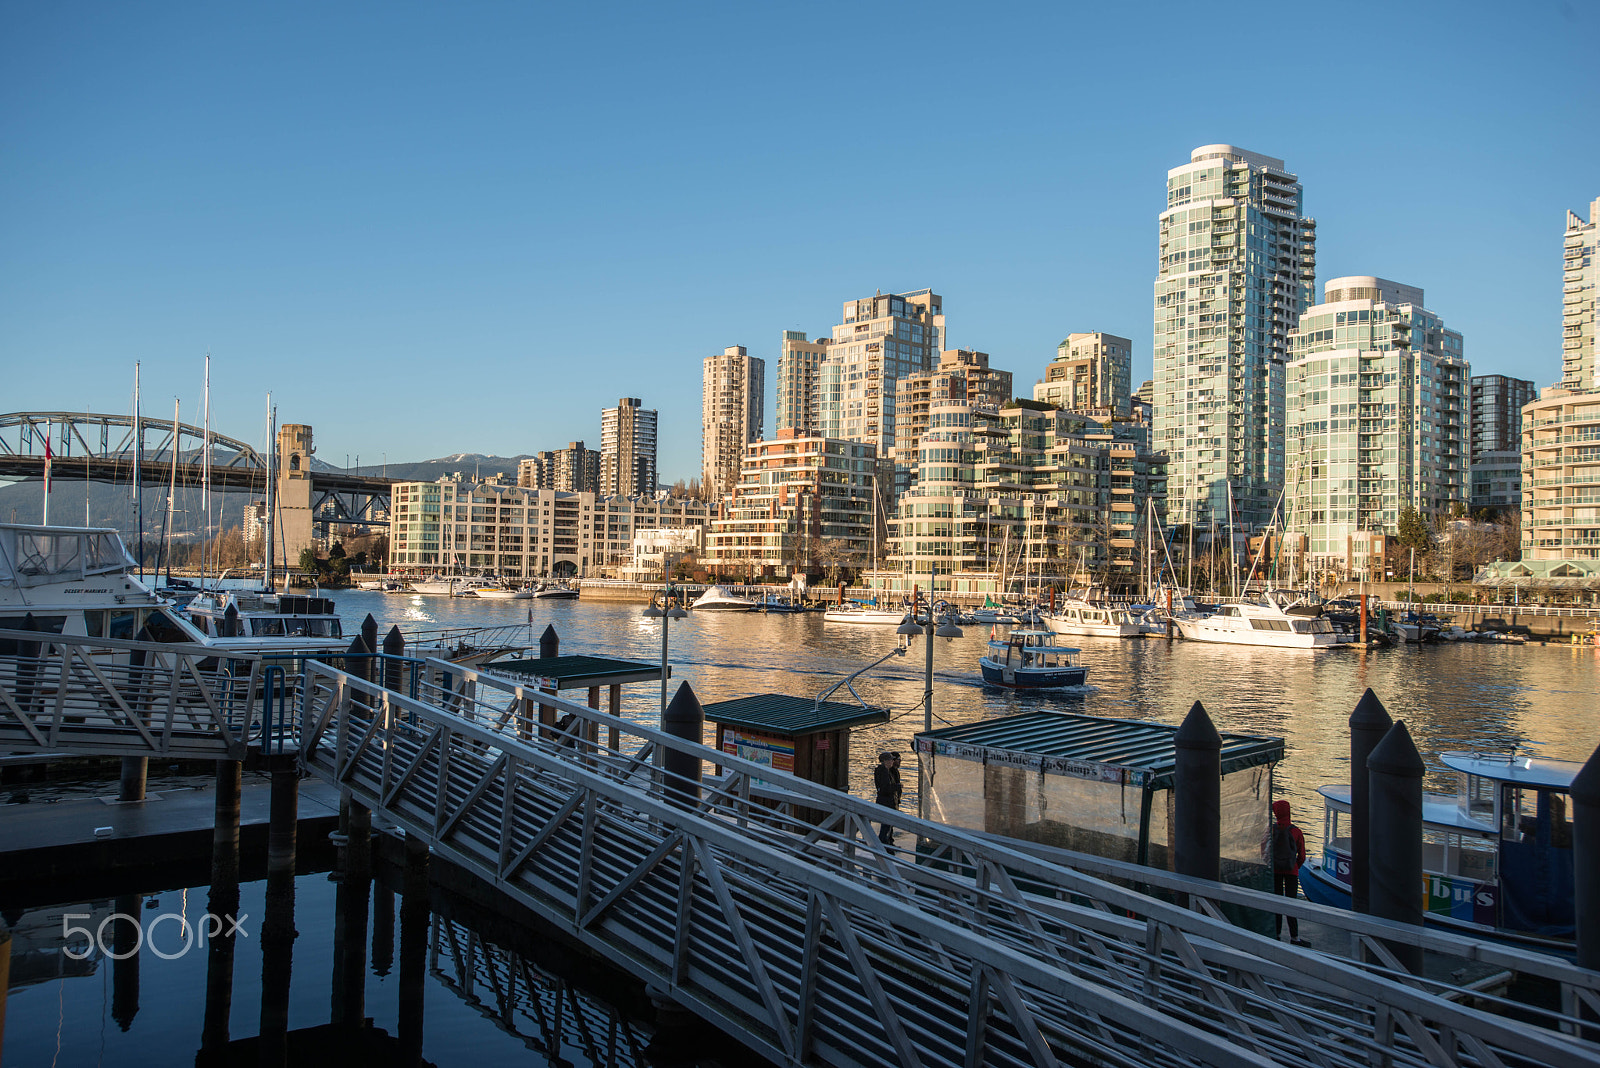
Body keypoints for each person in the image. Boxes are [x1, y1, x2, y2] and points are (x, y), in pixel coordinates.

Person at [1268, 799, 1309, 945]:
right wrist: (1295, 866)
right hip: (1292, 872)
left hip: (1275, 872)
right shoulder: (1296, 831)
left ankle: (1277, 935)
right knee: (1291, 904)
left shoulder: (1271, 830)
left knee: (1276, 903)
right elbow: (1302, 856)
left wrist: (1273, 866)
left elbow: (1264, 851)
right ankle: (1295, 937)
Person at [874, 751, 902, 845]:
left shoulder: (887, 771)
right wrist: (897, 787)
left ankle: (888, 843)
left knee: (888, 825)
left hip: (887, 801)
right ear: (885, 761)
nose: (892, 761)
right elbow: (885, 789)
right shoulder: (884, 772)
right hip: (886, 802)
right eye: (890, 760)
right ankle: (884, 844)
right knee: (886, 825)